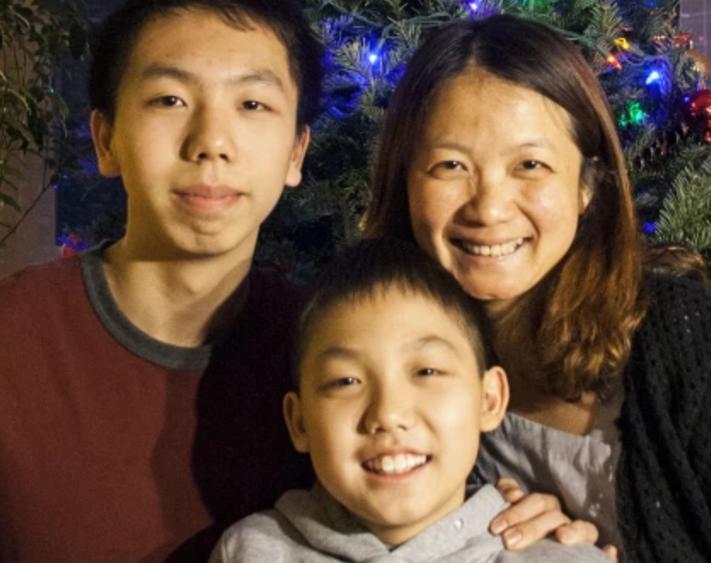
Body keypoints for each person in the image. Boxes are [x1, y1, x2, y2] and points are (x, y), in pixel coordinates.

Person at [363, 14, 711, 562]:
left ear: (587, 186)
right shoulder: (376, 365)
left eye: (530, 165)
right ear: (404, 180)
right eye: (450, 165)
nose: (489, 209)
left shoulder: (684, 339)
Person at [0, 1, 322, 561]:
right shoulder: (14, 340)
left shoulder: (333, 352)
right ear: (107, 140)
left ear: (296, 152)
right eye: (170, 100)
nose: (211, 142)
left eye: (252, 103)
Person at [209, 238, 611, 562]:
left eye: (427, 372)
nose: (388, 413)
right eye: (346, 381)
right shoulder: (251, 551)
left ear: (489, 399)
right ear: (299, 422)